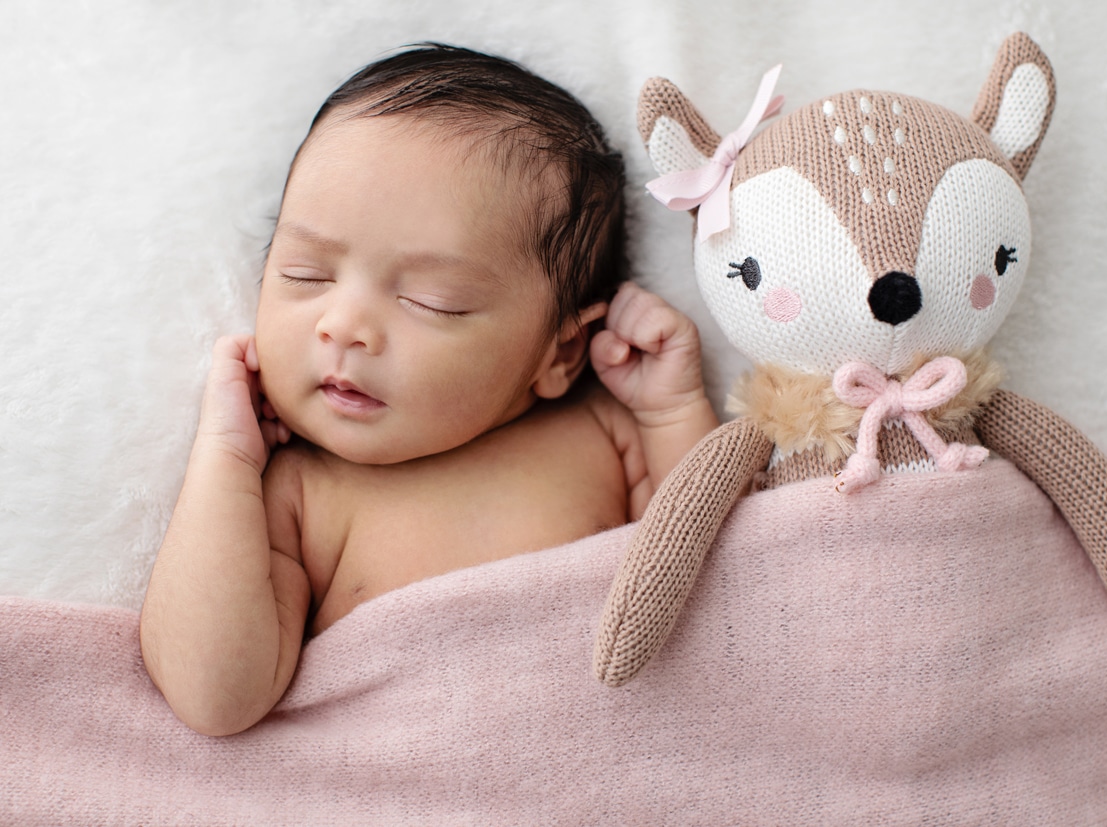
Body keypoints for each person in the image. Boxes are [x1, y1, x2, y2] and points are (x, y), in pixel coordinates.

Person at [139, 44, 718, 737]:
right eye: (305, 274)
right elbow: (215, 697)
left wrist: (673, 410)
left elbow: (722, 589)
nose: (344, 325)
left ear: (560, 350)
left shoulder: (599, 431)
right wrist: (225, 458)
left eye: (430, 300)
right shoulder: (301, 489)